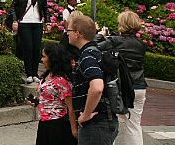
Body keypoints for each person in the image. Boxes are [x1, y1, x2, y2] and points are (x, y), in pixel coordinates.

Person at [96, 11, 147, 145]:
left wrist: (100, 36)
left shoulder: (115, 41)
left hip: (121, 87)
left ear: (122, 25)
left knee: (113, 119)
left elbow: (93, 47)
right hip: (140, 86)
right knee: (134, 124)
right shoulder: (141, 45)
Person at [67, 14, 118, 144]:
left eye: (69, 30)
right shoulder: (96, 51)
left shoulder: (87, 56)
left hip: (96, 125)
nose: (67, 33)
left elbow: (97, 87)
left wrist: (86, 114)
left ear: (78, 33)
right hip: (103, 122)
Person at [27, 43, 78, 145]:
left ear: (52, 59)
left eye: (44, 56)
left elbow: (70, 107)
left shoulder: (61, 80)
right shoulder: (48, 74)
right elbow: (51, 96)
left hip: (57, 125)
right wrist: (38, 100)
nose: (42, 59)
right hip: (43, 123)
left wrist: (74, 130)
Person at [9, 0, 50, 83]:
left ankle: (34, 73)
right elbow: (13, 7)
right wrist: (15, 21)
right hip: (24, 22)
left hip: (37, 22)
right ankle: (29, 73)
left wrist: (47, 21)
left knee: (37, 49)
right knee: (28, 48)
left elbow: (45, 8)